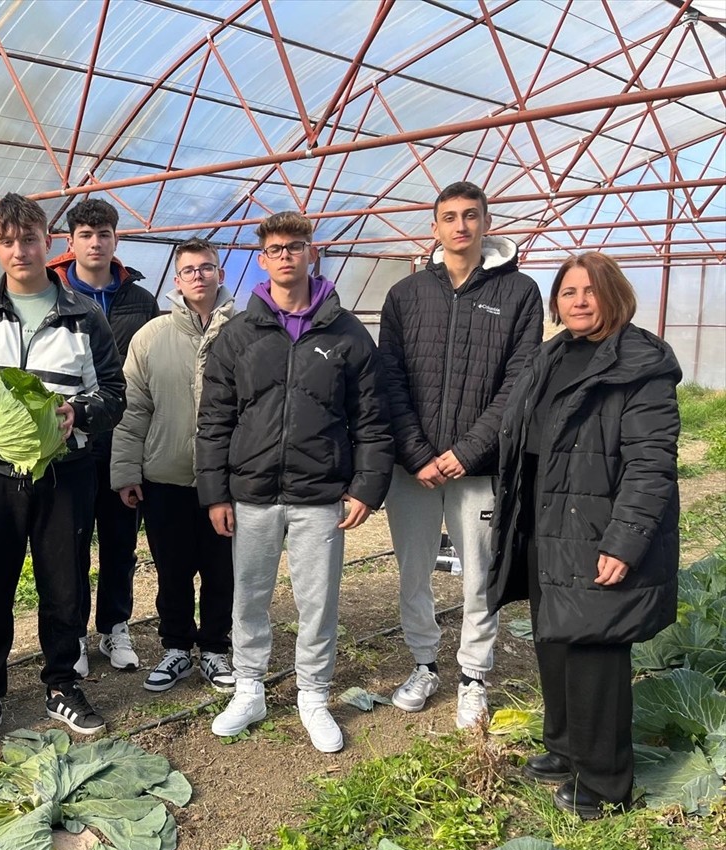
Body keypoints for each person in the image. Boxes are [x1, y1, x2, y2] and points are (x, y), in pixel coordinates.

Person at [488, 252, 680, 819]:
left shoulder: (640, 362)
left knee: (596, 648)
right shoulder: (551, 355)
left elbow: (651, 464)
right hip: (546, 521)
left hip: (597, 527)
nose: (578, 301)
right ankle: (565, 748)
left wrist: (625, 541)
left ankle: (605, 781)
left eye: (590, 291)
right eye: (568, 292)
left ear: (614, 295)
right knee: (553, 637)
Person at [196, 212, 394, 753]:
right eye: (275, 249)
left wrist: (366, 487)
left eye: (295, 246)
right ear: (262, 260)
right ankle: (249, 688)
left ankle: (313, 694)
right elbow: (214, 419)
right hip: (253, 491)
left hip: (320, 493)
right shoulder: (238, 335)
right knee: (249, 597)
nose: (285, 255)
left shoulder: (347, 332)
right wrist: (215, 493)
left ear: (312, 253)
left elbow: (372, 418)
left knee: (317, 601)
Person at [0, 193, 126, 748]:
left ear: (49, 243)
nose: (19, 251)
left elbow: (113, 392)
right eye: (8, 241)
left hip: (65, 475)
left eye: (29, 239)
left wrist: (79, 414)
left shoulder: (84, 316)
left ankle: (62, 684)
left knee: (64, 585)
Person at [378, 181, 542, 729]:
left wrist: (469, 451)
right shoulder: (406, 295)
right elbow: (390, 378)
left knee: (479, 573)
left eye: (471, 215)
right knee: (413, 570)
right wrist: (417, 452)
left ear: (486, 223)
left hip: (478, 468)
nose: (461, 226)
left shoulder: (520, 292)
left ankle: (473, 675)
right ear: (435, 227)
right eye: (449, 217)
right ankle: (423, 664)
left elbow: (519, 382)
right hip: (414, 468)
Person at [111, 238, 237, 694]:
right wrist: (127, 471)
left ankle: (216, 648)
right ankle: (177, 647)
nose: (198, 276)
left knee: (222, 571)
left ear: (220, 274)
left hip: (228, 479)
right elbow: (134, 410)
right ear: (177, 280)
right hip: (165, 476)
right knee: (173, 570)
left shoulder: (245, 332)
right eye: (189, 270)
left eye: (206, 267)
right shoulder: (151, 336)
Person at [47, 198, 159, 676]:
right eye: (86, 235)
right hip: (67, 442)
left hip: (123, 440)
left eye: (104, 234)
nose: (96, 243)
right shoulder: (52, 294)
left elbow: (151, 371)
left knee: (120, 541)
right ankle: (72, 634)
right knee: (68, 544)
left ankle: (115, 625)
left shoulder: (141, 301)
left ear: (116, 239)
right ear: (70, 242)